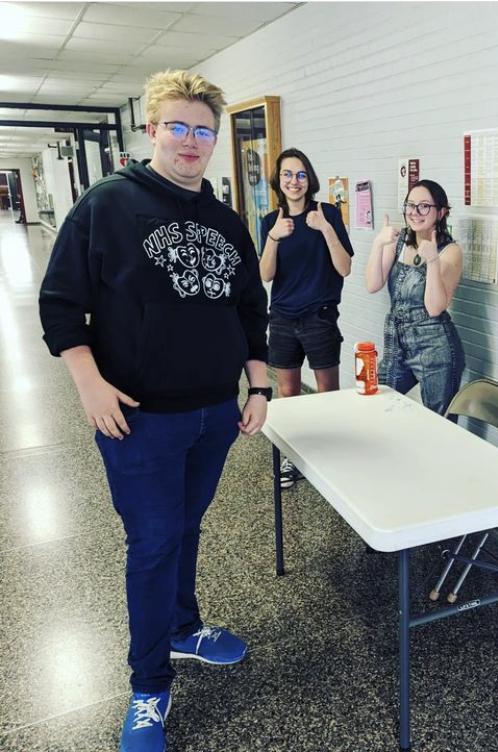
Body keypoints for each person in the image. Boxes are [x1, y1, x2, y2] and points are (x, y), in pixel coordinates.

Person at [38, 70, 271, 752]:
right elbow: (60, 302)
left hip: (213, 412)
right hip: (139, 417)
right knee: (153, 541)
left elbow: (249, 308)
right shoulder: (108, 204)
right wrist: (88, 382)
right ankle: (148, 686)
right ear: (152, 130)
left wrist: (258, 387)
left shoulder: (226, 220)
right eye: (178, 127)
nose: (191, 141)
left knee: (185, 526)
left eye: (203, 130)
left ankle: (182, 627)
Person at [259, 148, 353, 488]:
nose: (294, 181)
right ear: (278, 180)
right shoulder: (271, 222)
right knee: (288, 392)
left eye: (300, 174)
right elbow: (265, 274)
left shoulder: (327, 213)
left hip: (319, 316)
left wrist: (325, 229)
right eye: (287, 174)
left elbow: (344, 267)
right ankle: (295, 456)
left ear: (308, 179)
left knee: (328, 392)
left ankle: (331, 456)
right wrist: (274, 237)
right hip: (283, 318)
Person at [365, 179, 465, 415]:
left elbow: (434, 307)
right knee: (375, 403)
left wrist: (432, 261)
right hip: (397, 343)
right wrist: (378, 244)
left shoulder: (450, 251)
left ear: (441, 212)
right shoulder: (398, 241)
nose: (415, 212)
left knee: (438, 423)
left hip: (435, 349)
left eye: (424, 206)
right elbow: (373, 284)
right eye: (410, 205)